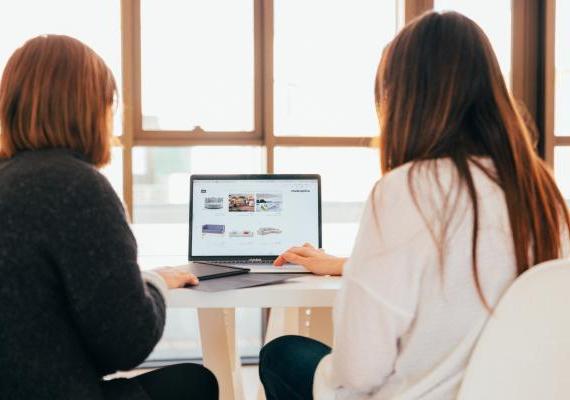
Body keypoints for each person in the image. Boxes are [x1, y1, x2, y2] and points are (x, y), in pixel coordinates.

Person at [261, 11, 570, 400]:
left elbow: (359, 371)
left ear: (403, 100)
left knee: (283, 354)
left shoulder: (405, 190)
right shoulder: (543, 193)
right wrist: (348, 265)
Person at [0, 35, 217, 400]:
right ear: (89, 108)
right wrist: (154, 285)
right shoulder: (77, 187)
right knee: (196, 384)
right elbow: (126, 344)